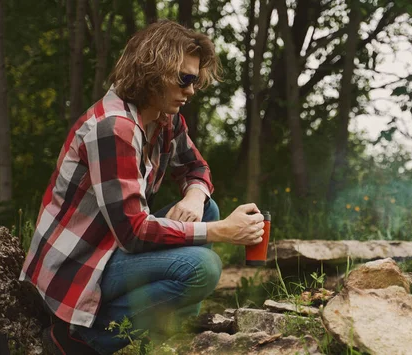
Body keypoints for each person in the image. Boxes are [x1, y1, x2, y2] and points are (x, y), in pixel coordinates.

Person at [19, 20, 265, 355]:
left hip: (112, 247)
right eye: (184, 78)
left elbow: (197, 167)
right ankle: (80, 341)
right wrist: (221, 232)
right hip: (76, 268)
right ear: (154, 71)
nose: (191, 90)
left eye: (195, 80)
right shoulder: (114, 128)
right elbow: (134, 233)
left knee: (207, 207)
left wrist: (194, 197)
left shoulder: (165, 119)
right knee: (203, 267)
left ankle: (168, 323)